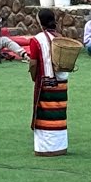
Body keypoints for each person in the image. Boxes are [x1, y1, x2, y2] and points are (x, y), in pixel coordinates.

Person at [26, 9, 68, 156]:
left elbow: (33, 64)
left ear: (40, 21)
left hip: (45, 81)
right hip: (61, 82)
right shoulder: (60, 37)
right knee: (59, 113)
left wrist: (34, 77)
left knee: (44, 113)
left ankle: (46, 149)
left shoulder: (36, 40)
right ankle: (60, 147)